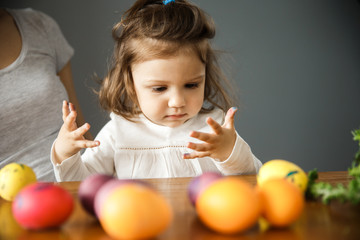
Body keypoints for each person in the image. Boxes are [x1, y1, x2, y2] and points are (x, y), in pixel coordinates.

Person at [51, 0, 262, 181]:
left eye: (191, 85)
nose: (177, 101)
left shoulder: (213, 128)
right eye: (160, 88)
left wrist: (229, 152)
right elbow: (82, 188)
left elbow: (253, 179)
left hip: (201, 227)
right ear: (131, 85)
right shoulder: (118, 133)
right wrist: (64, 154)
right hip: (139, 228)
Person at [0, 8, 91, 181]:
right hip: (12, 204)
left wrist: (102, 176)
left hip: (79, 186)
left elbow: (78, 125)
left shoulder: (38, 24)